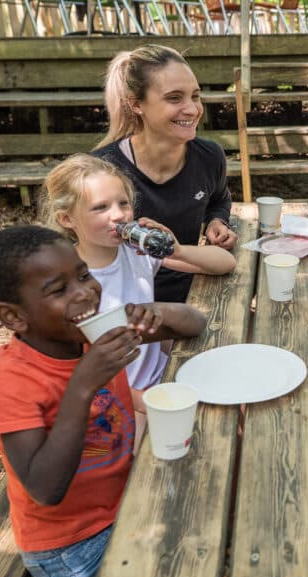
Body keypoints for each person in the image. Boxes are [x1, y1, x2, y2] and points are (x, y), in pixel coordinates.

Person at [0, 225, 208, 577]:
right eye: (58, 289)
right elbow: (45, 489)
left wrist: (154, 311)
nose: (85, 292)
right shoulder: (10, 384)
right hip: (72, 548)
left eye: (83, 275)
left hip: (123, 499)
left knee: (218, 501)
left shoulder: (94, 333)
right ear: (14, 317)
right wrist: (83, 385)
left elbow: (196, 325)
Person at [40, 153, 234, 444]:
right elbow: (70, 373)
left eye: (123, 203)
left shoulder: (135, 252)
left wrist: (176, 251)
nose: (118, 215)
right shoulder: (67, 287)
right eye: (100, 208)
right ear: (67, 219)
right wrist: (142, 402)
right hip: (117, 401)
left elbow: (224, 263)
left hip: (163, 377)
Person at [93, 44, 237, 304]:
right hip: (129, 304)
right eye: (174, 98)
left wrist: (217, 221)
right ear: (136, 105)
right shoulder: (103, 170)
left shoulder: (209, 156)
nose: (192, 109)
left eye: (195, 96)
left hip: (201, 287)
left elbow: (219, 199)